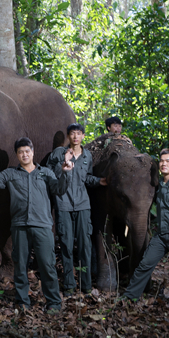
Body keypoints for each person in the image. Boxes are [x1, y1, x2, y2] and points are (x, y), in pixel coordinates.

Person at [0, 138, 73, 314]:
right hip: (20, 226)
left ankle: (53, 303)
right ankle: (22, 302)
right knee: (20, 266)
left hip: (42, 226)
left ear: (33, 152)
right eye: (21, 152)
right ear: (17, 155)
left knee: (47, 265)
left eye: (27, 151)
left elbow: (59, 190)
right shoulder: (10, 174)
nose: (24, 154)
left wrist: (66, 173)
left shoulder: (46, 173)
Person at [121, 149, 169, 311]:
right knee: (145, 264)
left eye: (167, 161)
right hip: (161, 235)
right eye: (161, 161)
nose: (163, 164)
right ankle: (129, 297)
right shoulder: (159, 184)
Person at [47, 123, 103, 295]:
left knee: (85, 246)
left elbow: (87, 178)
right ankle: (69, 285)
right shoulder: (58, 154)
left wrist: (100, 181)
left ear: (83, 136)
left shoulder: (87, 156)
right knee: (66, 244)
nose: (76, 137)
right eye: (72, 133)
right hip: (63, 204)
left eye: (79, 134)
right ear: (68, 136)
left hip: (83, 205)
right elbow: (49, 176)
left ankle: (85, 285)